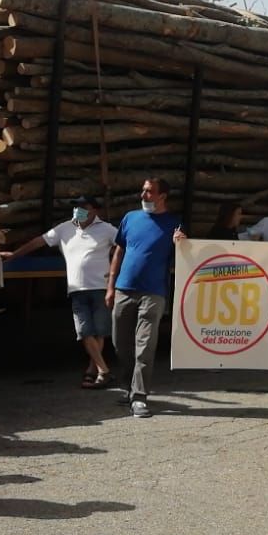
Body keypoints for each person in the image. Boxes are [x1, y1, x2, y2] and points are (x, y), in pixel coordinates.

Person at [6, 195, 119, 390]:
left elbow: (123, 246)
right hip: (76, 288)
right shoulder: (65, 228)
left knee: (99, 331)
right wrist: (14, 255)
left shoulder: (107, 229)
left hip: (100, 286)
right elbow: (38, 242)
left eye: (83, 207)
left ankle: (94, 371)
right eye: (76, 207)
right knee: (84, 331)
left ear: (95, 210)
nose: (78, 210)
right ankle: (103, 371)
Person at [110, 177, 182, 417]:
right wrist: (111, 286)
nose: (144, 195)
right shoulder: (130, 218)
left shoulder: (173, 223)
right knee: (120, 342)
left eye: (149, 192)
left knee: (145, 346)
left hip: (154, 293)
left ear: (163, 196)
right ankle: (127, 387)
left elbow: (184, 257)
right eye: (143, 191)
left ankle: (139, 396)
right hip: (124, 289)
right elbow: (119, 252)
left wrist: (181, 244)